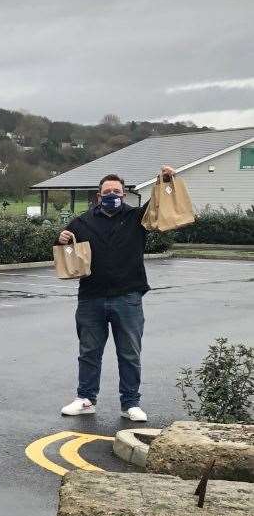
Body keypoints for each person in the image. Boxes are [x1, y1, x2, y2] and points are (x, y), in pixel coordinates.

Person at [56, 166, 178, 423]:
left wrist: (164, 180)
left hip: (128, 296)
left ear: (124, 194)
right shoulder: (81, 222)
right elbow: (64, 251)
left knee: (130, 352)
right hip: (91, 297)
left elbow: (159, 203)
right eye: (107, 191)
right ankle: (86, 399)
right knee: (89, 351)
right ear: (98, 196)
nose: (113, 194)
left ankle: (130, 403)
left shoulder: (137, 218)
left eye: (117, 191)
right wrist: (62, 241)